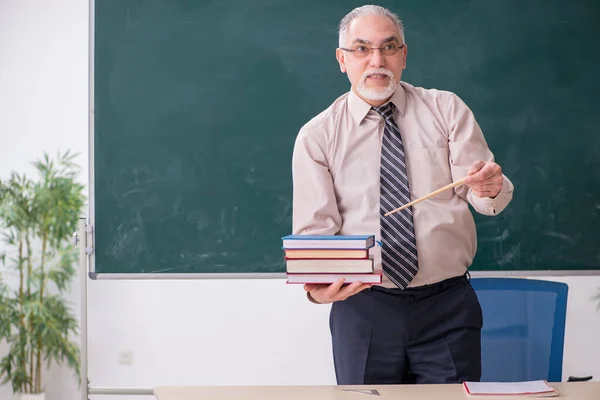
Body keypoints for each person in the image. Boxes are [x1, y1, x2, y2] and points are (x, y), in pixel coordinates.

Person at [291, 5, 514, 385]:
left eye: (388, 47)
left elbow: (483, 191)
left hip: (447, 306)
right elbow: (316, 234)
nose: (377, 60)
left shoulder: (446, 109)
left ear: (404, 56)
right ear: (341, 60)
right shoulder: (317, 136)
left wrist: (491, 187)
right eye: (361, 49)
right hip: (363, 307)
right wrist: (316, 290)